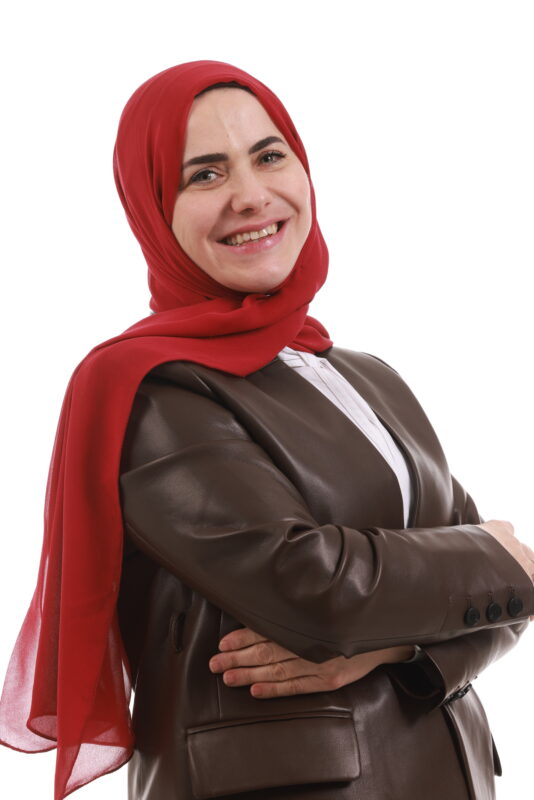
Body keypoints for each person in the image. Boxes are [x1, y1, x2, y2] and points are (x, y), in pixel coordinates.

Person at [0, 60, 533, 800]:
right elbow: (310, 586)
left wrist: (396, 644)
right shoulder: (152, 388)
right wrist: (499, 558)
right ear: (154, 207)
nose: (251, 195)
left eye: (269, 156)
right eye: (205, 174)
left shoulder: (364, 375)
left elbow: (493, 599)